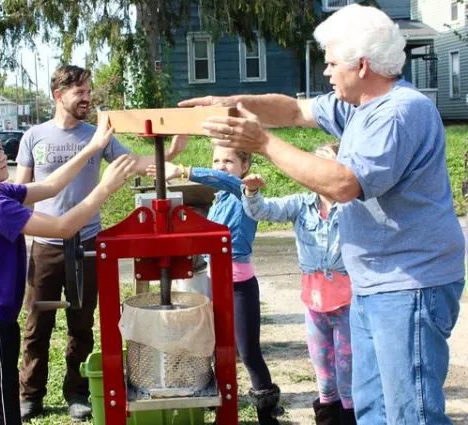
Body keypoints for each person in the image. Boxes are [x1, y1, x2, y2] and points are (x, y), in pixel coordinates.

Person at [179, 4, 465, 424]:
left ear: (362, 65)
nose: (327, 72)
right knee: (371, 407)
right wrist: (233, 102)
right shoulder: (359, 107)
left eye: (332, 64)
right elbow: (294, 111)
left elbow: (343, 184)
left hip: (409, 285)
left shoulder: (400, 111)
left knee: (410, 413)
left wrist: (263, 143)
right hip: (372, 284)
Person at [15, 64, 185, 421]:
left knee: (81, 321)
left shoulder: (98, 135)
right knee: (37, 323)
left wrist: (167, 155)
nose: (87, 98)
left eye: (89, 91)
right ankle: (30, 394)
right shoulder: (34, 137)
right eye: (80, 92)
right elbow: (22, 191)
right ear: (58, 95)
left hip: (87, 243)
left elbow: (135, 163)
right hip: (45, 245)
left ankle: (77, 392)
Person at [0, 118, 136, 425]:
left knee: (2, 411)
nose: (2, 155)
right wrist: (106, 187)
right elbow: (62, 227)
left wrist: (94, 147)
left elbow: (50, 185)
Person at [147, 143, 283, 425]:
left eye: (229, 160)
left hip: (239, 287)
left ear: (244, 166)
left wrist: (184, 170)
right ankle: (219, 401)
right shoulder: (220, 200)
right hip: (213, 282)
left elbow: (227, 180)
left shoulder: (241, 191)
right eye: (216, 159)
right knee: (215, 345)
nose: (221, 165)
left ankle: (267, 414)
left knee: (248, 352)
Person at [241, 143, 356, 425]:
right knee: (325, 378)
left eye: (325, 169)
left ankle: (353, 419)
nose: (318, 175)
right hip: (315, 305)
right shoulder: (300, 205)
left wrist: (344, 169)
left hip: (349, 306)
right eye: (313, 169)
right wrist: (252, 192)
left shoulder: (354, 207)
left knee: (348, 375)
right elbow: (263, 211)